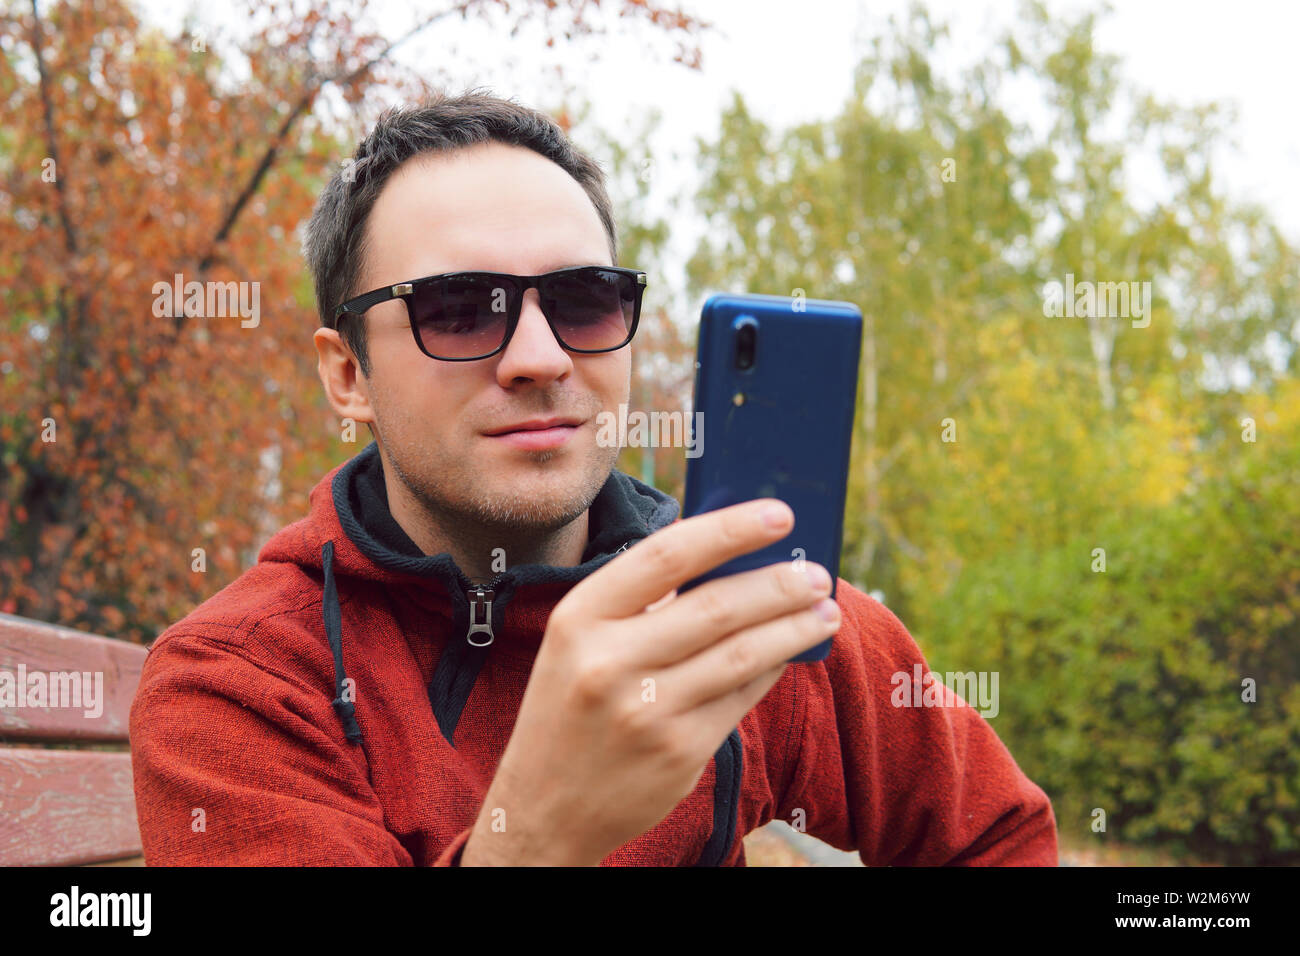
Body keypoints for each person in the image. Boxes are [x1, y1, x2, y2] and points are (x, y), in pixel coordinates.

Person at [129, 89, 1058, 866]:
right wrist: (536, 834)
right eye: (458, 310)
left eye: (583, 300)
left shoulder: (742, 609)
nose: (540, 357)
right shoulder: (238, 687)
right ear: (347, 375)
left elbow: (999, 834)